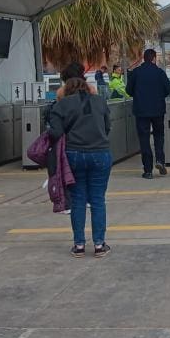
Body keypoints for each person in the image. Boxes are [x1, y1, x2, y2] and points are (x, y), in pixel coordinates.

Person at [48, 77, 113, 258]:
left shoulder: (61, 105)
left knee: (77, 200)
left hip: (73, 155)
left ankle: (79, 246)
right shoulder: (100, 101)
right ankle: (99, 245)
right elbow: (107, 127)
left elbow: (55, 132)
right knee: (98, 200)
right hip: (100, 153)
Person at [126, 48, 170, 179]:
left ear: (143, 58)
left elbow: (128, 90)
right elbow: (168, 89)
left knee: (144, 139)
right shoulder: (159, 72)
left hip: (141, 111)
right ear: (154, 58)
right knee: (159, 136)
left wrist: (139, 95)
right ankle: (160, 160)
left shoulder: (136, 72)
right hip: (158, 110)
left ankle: (148, 170)